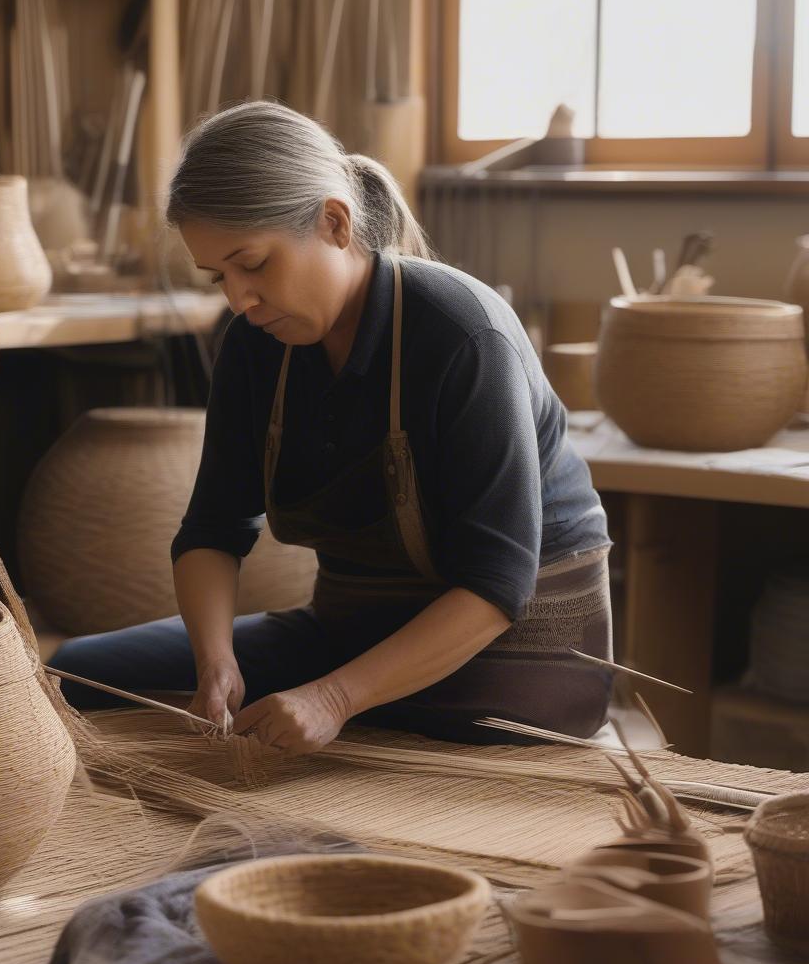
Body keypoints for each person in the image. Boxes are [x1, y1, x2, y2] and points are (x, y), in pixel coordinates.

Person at [50, 101, 613, 754]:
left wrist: (335, 697)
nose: (239, 299)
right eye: (218, 276)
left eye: (253, 264)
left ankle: (366, 706)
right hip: (352, 629)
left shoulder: (462, 334)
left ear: (335, 223)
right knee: (80, 671)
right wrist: (216, 662)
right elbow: (212, 530)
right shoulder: (252, 344)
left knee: (401, 735)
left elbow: (495, 587)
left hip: (513, 651)